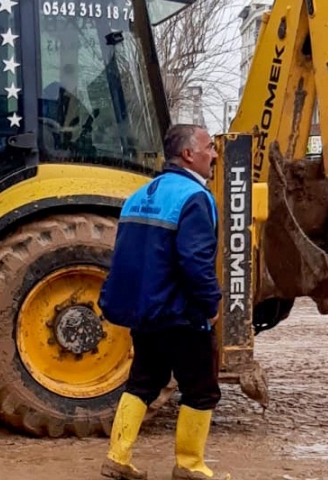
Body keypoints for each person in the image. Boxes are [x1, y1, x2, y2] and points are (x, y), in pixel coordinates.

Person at [97, 124, 229, 480]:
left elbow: (127, 256)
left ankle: (118, 457)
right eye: (208, 148)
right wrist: (210, 303)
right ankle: (190, 465)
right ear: (188, 154)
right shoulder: (195, 198)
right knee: (201, 389)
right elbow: (195, 260)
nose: (214, 155)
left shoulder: (139, 195)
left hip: (146, 313)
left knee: (142, 382)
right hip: (182, 315)